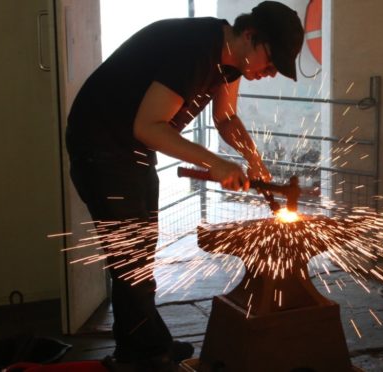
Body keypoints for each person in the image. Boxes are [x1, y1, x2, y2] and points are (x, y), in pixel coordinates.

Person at [65, 2, 304, 370]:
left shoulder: (231, 61)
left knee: (141, 250)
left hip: (131, 150)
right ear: (250, 36)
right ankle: (140, 358)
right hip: (102, 146)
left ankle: (148, 342)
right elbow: (148, 126)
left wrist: (255, 162)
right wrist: (216, 162)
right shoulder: (194, 49)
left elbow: (225, 118)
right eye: (271, 62)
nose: (270, 73)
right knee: (131, 259)